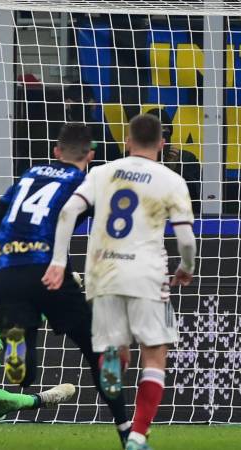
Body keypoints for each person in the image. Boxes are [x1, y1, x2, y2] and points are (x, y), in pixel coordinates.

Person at [0, 123, 131, 446]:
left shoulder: (28, 176)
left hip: (7, 274)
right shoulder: (86, 181)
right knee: (99, 353)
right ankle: (126, 431)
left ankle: (17, 355)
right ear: (90, 155)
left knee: (23, 374)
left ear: (56, 152)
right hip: (50, 272)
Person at [42, 114, 196, 450]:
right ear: (162, 143)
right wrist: (186, 265)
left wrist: (57, 261)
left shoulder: (100, 172)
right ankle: (137, 437)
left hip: (102, 274)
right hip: (146, 275)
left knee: (115, 350)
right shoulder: (171, 180)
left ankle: (113, 357)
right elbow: (185, 237)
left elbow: (67, 212)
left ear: (126, 141)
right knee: (154, 356)